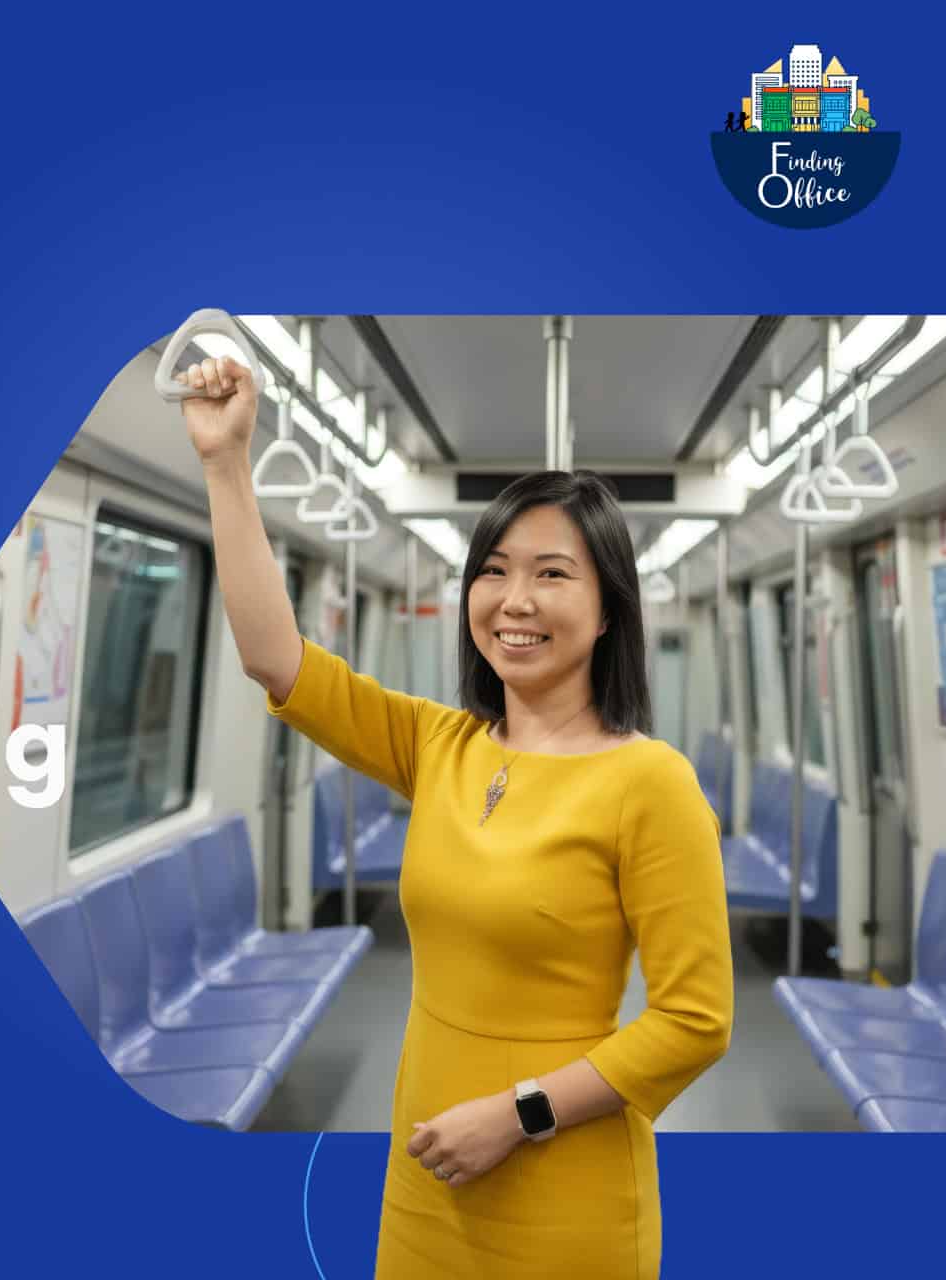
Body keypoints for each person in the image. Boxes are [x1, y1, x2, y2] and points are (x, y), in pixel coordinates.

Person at [177, 354, 733, 1279]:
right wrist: (225, 462)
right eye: (494, 571)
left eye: (552, 574)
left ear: (608, 611)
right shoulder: (438, 745)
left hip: (565, 1186)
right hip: (425, 1169)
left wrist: (517, 1115)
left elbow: (694, 1020)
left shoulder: (652, 783)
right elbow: (276, 657)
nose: (515, 601)